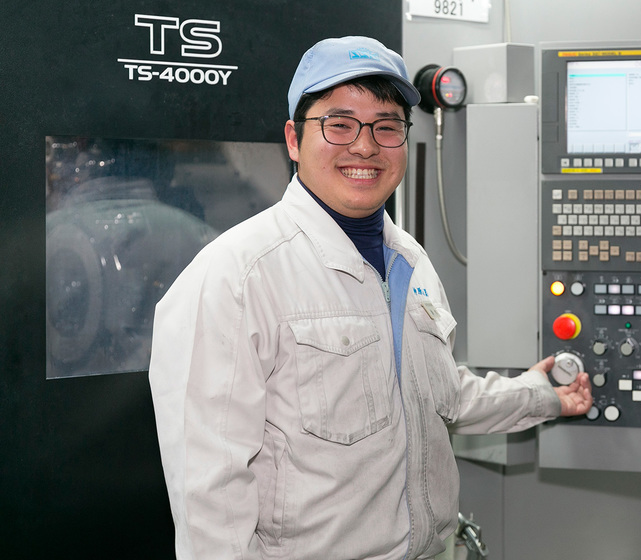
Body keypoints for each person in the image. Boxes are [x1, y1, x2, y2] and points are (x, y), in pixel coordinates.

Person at [149, 35, 592, 560]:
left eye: (386, 126)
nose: (365, 146)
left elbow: (437, 396)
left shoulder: (410, 260)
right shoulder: (238, 277)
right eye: (339, 124)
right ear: (294, 139)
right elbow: (210, 501)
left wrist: (541, 395)